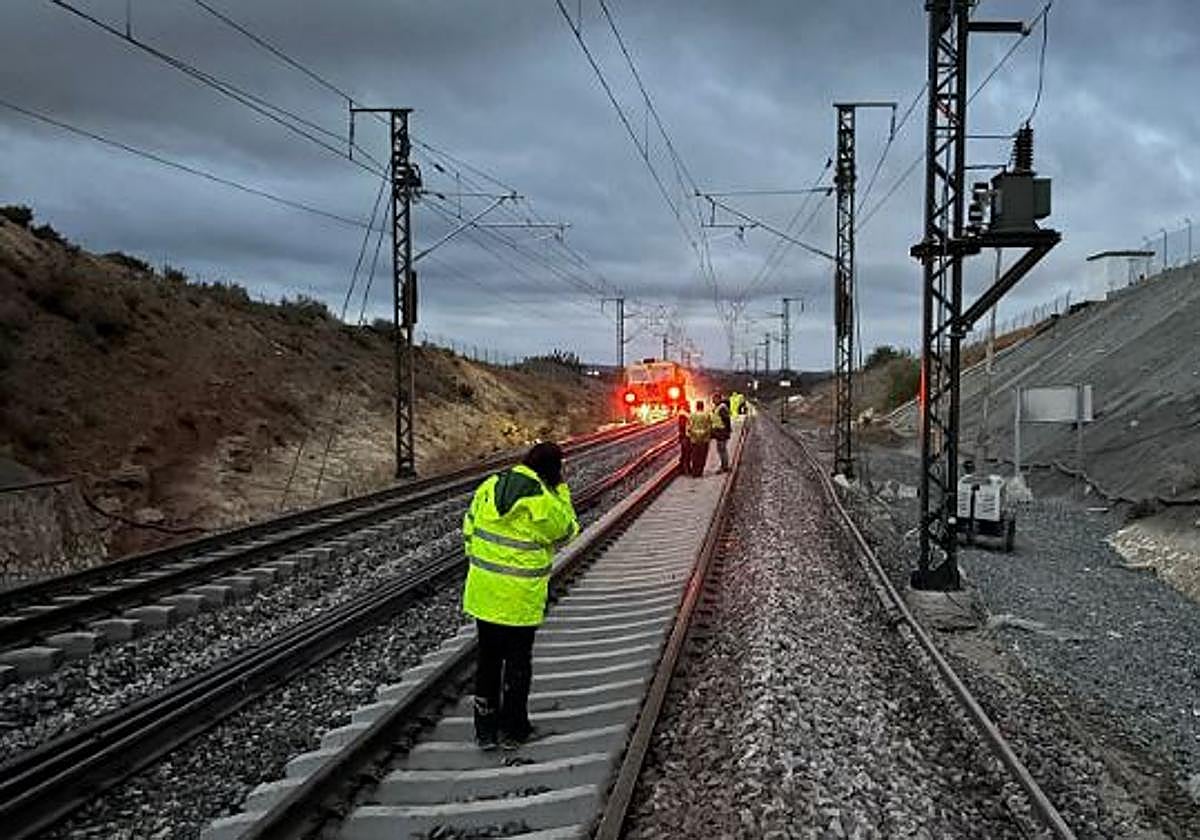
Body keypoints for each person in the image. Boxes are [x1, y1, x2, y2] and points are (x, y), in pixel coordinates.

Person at [462, 441, 580, 750]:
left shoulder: (490, 485)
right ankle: (515, 730)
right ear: (553, 470)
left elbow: (469, 530)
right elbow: (568, 529)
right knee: (517, 662)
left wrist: (483, 565)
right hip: (520, 597)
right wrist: (562, 492)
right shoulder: (542, 499)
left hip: (484, 593)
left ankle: (484, 732)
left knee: (487, 661)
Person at [686, 399, 713, 477]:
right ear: (703, 406)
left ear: (696, 407)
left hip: (694, 440)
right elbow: (709, 427)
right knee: (702, 456)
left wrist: (694, 434)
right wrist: (703, 433)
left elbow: (689, 427)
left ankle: (695, 472)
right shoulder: (707, 415)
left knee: (695, 456)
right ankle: (700, 471)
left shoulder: (692, 415)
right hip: (704, 439)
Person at [711, 392, 732, 473]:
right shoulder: (717, 408)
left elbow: (727, 421)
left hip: (722, 431)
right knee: (720, 449)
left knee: (722, 449)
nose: (713, 400)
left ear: (719, 399)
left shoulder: (722, 408)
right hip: (719, 431)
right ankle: (724, 466)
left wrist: (727, 432)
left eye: (715, 398)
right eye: (713, 398)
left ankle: (725, 466)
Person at [676, 401, 692, 471]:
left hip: (686, 435)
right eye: (688, 405)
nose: (689, 406)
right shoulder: (683, 415)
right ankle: (686, 468)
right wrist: (683, 436)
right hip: (685, 436)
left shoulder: (685, 414)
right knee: (686, 452)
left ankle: (684, 467)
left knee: (685, 452)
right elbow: (682, 426)